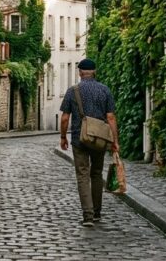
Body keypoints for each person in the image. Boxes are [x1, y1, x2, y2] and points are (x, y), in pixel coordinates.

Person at [59, 58, 118, 227]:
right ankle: (97, 212)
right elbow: (111, 117)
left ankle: (88, 215)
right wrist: (115, 140)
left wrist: (63, 137)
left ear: (80, 73)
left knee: (83, 175)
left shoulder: (73, 91)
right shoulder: (104, 90)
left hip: (80, 139)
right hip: (99, 139)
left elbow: (64, 118)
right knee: (97, 173)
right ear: (95, 72)